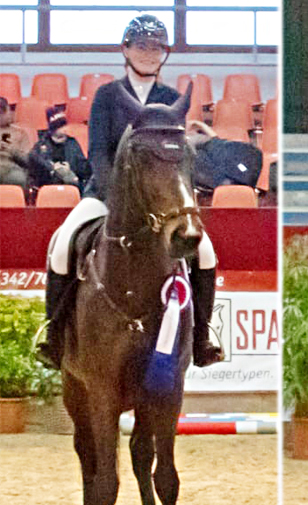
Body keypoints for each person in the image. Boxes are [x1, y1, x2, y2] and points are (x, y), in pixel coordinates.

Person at [37, 14, 223, 370]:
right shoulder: (107, 96)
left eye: (156, 48)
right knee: (62, 244)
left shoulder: (171, 99)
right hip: (106, 196)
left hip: (159, 203)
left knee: (206, 252)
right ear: (125, 49)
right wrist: (115, 198)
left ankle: (202, 337)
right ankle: (54, 335)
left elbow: (173, 158)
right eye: (142, 46)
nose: (150, 53)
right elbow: (98, 152)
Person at [30, 105, 90, 189]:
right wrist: (53, 168)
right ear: (53, 129)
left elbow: (83, 167)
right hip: (49, 183)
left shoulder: (72, 143)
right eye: (61, 127)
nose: (65, 129)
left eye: (65, 126)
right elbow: (36, 163)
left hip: (71, 182)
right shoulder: (42, 144)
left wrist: (70, 168)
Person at [0, 96, 50, 192]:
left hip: (12, 167)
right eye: (6, 112)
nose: (10, 114)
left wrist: (13, 151)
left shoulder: (20, 132)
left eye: (9, 111)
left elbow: (28, 159)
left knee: (19, 178)